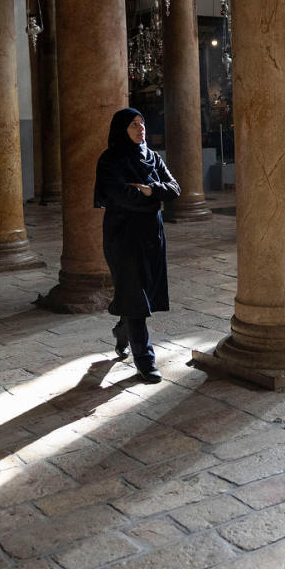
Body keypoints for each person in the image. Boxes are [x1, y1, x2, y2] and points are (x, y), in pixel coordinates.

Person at [93, 108, 180, 383]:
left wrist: (150, 190)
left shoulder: (152, 157)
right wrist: (154, 197)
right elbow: (121, 196)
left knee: (141, 292)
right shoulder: (110, 160)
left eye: (142, 123)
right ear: (121, 129)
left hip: (151, 236)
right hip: (122, 235)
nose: (140, 128)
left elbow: (175, 189)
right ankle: (145, 361)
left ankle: (122, 329)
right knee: (134, 293)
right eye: (133, 124)